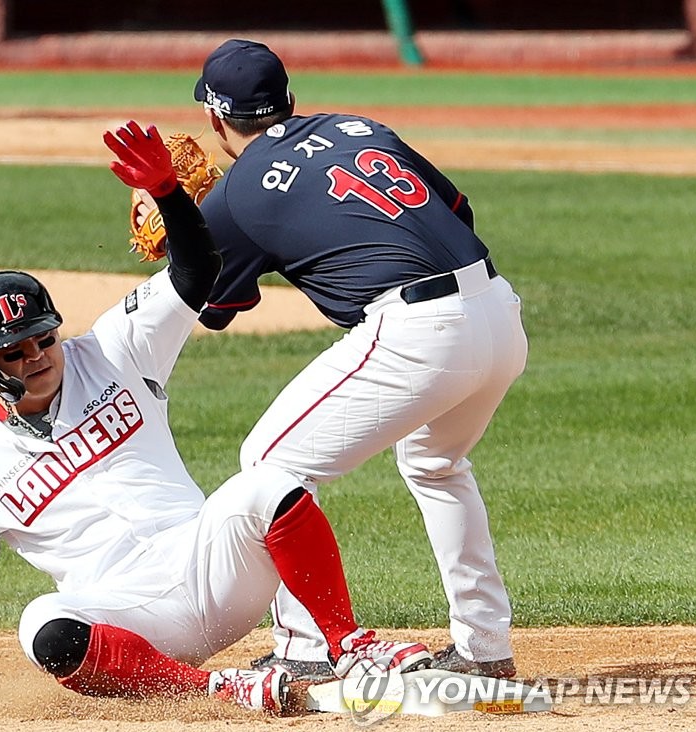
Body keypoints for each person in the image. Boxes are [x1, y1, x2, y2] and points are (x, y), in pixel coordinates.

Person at [0, 121, 431, 716]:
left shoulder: (113, 348)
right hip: (128, 617)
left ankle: (353, 648)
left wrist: (170, 192)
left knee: (267, 482)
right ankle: (218, 691)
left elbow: (198, 272)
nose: (38, 355)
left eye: (44, 338)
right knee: (42, 624)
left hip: (212, 566)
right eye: (15, 351)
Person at [187, 39, 529, 680]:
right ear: (289, 99)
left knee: (269, 464)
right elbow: (458, 209)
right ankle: (484, 648)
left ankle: (309, 644)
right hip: (498, 310)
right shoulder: (358, 127)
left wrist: (189, 226)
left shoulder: (235, 193)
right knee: (436, 463)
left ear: (213, 118)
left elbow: (214, 307)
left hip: (419, 330)